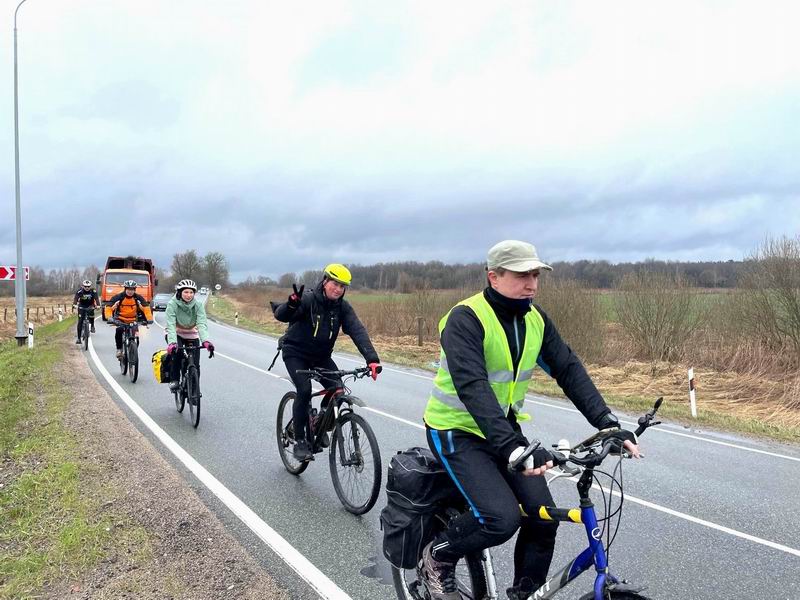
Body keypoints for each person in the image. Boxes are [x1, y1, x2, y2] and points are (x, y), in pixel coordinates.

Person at [418, 240, 641, 600]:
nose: (532, 283)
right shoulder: (466, 319)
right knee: (500, 518)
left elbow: (568, 369)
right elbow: (473, 386)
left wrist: (606, 422)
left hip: (503, 430)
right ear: (494, 276)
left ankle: (525, 594)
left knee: (543, 518)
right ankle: (437, 558)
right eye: (522, 275)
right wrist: (513, 447)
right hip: (455, 430)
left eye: (536, 274)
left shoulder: (534, 320)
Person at [271, 264, 381, 462]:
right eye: (335, 284)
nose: (338, 289)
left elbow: (357, 330)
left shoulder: (342, 307)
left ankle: (319, 423)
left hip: (321, 356)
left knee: (337, 389)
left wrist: (372, 360)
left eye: (342, 286)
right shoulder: (308, 299)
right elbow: (281, 314)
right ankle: (301, 442)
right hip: (295, 352)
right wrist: (292, 304)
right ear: (325, 281)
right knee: (304, 390)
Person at [165, 279, 214, 392]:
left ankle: (194, 390)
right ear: (180, 293)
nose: (189, 295)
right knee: (177, 354)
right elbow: (171, 324)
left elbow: (201, 324)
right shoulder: (172, 304)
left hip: (192, 334)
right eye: (186, 292)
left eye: (191, 292)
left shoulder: (198, 305)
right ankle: (175, 379)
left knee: (195, 365)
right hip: (176, 333)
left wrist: (206, 341)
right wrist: (172, 343)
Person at [108, 280, 151, 360]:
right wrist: (109, 317)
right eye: (128, 289)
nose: (130, 291)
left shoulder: (138, 298)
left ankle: (133, 349)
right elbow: (109, 307)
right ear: (125, 289)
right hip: (121, 319)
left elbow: (146, 308)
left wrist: (149, 319)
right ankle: (119, 349)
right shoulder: (119, 297)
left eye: (132, 289)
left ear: (135, 290)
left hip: (133, 320)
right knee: (119, 330)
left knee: (136, 336)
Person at [73, 279, 100, 344]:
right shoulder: (79, 291)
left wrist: (98, 305)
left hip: (90, 305)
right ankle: (79, 339)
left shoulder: (93, 291)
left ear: (90, 286)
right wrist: (74, 305)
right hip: (82, 306)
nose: (87, 288)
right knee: (80, 321)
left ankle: (92, 326)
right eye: (85, 286)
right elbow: (76, 298)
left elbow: (96, 298)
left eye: (88, 286)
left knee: (91, 313)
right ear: (83, 286)